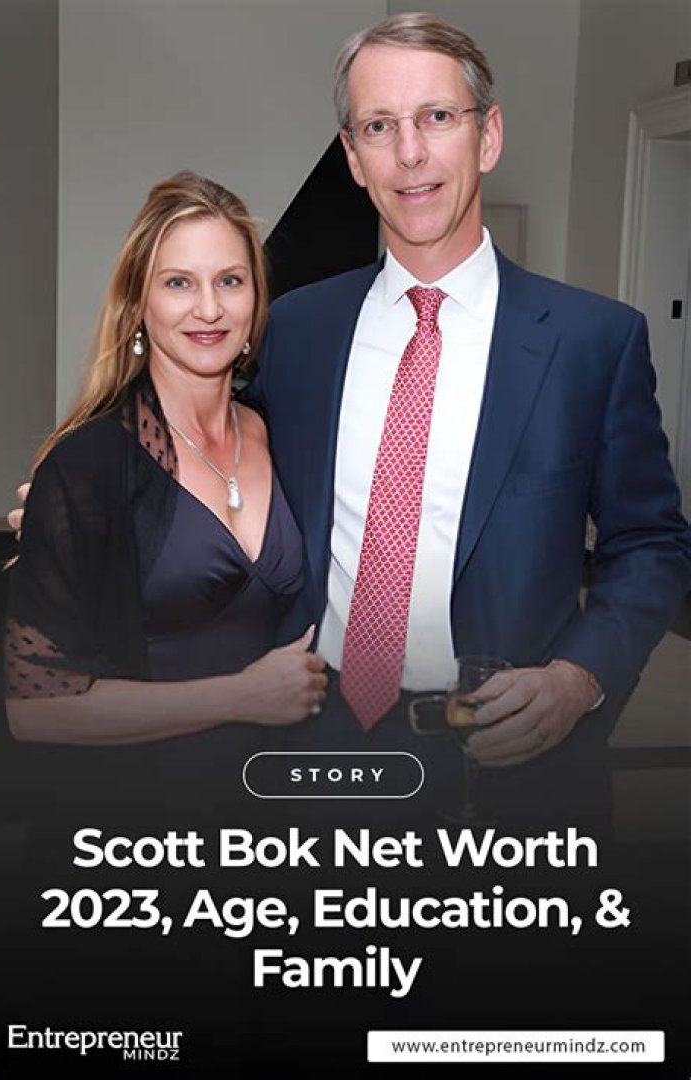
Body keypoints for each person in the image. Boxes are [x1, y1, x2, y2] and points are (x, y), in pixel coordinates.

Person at [242, 13, 691, 824]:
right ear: (353, 157)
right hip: (315, 741)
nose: (409, 153)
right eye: (379, 126)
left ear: (488, 137)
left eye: (437, 117)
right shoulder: (294, 329)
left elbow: (651, 543)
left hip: (509, 763)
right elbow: (218, 472)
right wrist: (97, 503)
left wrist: (580, 679)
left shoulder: (594, 341)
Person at [4, 170, 327, 816]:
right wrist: (242, 696)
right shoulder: (90, 466)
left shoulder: (283, 435)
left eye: (230, 281)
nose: (209, 309)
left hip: (270, 813)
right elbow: (33, 709)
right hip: (139, 823)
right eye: (179, 282)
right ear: (138, 304)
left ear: (257, 298)